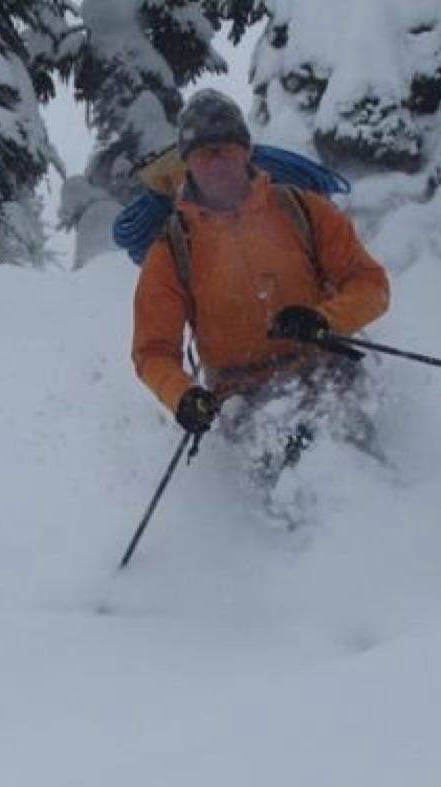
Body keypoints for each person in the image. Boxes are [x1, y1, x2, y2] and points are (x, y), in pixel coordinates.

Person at [131, 89, 391, 512]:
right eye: (202, 153)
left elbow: (371, 284)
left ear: (245, 150)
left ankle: (397, 537)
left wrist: (324, 320)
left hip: (324, 367)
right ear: (186, 163)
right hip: (240, 395)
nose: (215, 162)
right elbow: (153, 352)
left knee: (358, 460)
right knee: (285, 483)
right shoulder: (172, 248)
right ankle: (301, 568)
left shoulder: (303, 210)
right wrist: (183, 396)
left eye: (224, 149)